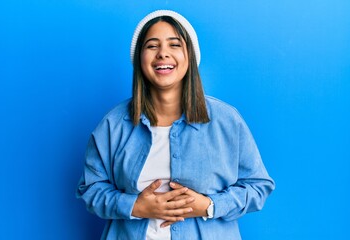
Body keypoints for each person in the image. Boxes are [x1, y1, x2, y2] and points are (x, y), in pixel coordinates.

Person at [76, 10, 275, 240]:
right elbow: (90, 188)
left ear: (189, 55)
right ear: (139, 58)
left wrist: (210, 205)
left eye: (174, 45)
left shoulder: (226, 121)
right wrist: (134, 207)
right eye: (152, 46)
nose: (163, 54)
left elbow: (259, 186)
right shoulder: (113, 124)